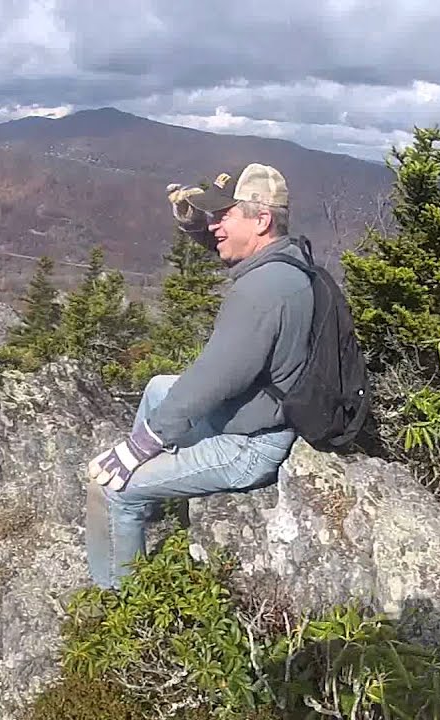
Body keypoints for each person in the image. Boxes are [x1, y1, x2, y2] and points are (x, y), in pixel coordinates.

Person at [84, 163, 316, 590]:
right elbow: (236, 252)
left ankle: (119, 609)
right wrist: (194, 227)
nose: (215, 226)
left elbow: (213, 378)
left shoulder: (263, 293)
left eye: (224, 216)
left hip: (248, 444)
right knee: (157, 389)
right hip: (251, 416)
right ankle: (146, 511)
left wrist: (141, 447)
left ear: (261, 219)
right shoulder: (285, 262)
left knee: (113, 489)